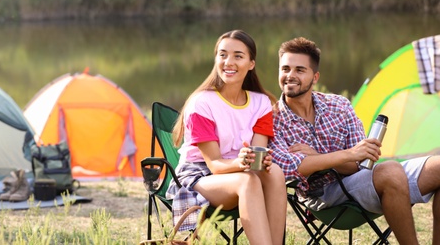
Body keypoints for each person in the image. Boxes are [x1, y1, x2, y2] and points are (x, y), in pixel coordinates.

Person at [269, 36, 440, 244]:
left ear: (315, 77)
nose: (290, 76)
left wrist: (319, 158)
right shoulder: (272, 119)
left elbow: (361, 163)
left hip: (358, 180)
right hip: (322, 195)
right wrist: (345, 156)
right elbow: (286, 169)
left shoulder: (339, 105)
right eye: (285, 69)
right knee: (391, 171)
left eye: (299, 70)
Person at [166, 30, 287, 245]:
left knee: (274, 171)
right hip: (199, 176)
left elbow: (257, 156)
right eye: (222, 55)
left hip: (240, 172)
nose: (228, 62)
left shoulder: (261, 103)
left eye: (238, 56)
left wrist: (258, 160)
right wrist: (241, 163)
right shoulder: (202, 103)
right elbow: (215, 165)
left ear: (251, 63)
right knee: (246, 180)